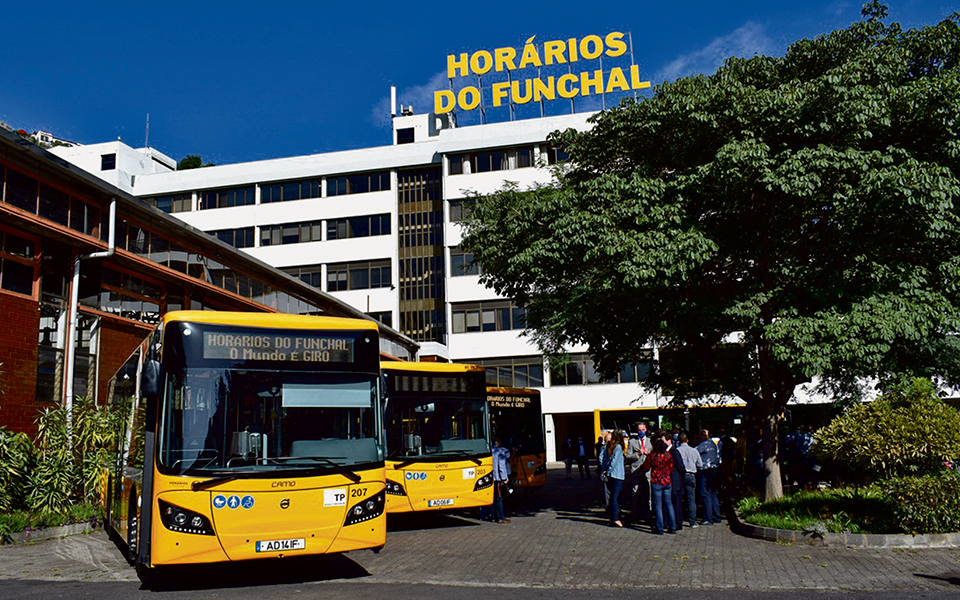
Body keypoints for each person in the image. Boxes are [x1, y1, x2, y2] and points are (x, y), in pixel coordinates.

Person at [642, 436, 677, 534]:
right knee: (669, 504)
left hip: (656, 481)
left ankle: (659, 527)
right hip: (667, 481)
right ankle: (672, 526)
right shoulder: (668, 455)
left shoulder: (652, 456)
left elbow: (646, 467)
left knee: (657, 506)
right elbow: (671, 468)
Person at [625, 422, 652, 522]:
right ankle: (636, 513)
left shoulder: (650, 441)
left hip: (647, 470)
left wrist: (649, 453)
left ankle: (647, 513)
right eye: (639, 430)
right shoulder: (632, 442)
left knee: (648, 492)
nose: (641, 432)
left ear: (646, 430)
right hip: (636, 470)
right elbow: (628, 456)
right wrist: (638, 454)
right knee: (635, 492)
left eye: (643, 430)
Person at [481, 437, 512, 523]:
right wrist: (505, 478)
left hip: (490, 478)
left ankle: (492, 516)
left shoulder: (489, 451)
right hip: (498, 478)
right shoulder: (500, 452)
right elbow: (501, 466)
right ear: (499, 443)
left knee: (492, 498)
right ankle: (500, 517)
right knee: (499, 498)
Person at [599, 429, 626, 527]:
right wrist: (608, 471)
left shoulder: (611, 446)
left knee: (613, 497)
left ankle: (613, 516)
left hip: (612, 474)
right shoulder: (618, 447)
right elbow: (614, 461)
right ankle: (615, 518)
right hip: (617, 475)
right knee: (615, 497)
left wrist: (606, 470)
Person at [676, 432, 703, 528]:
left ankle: (679, 519)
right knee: (691, 498)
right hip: (691, 474)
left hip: (680, 475)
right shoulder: (694, 451)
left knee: (679, 498)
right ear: (688, 440)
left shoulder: (677, 451)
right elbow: (700, 464)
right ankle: (692, 521)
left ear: (679, 441)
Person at [696, 428, 722, 525]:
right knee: (713, 493)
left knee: (705, 493)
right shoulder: (714, 445)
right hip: (714, 469)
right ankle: (717, 515)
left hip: (705, 470)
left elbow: (695, 452)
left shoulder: (703, 445)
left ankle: (708, 517)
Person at [666, 431, 685, 530]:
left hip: (675, 481)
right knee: (672, 503)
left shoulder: (674, 452)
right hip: (669, 481)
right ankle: (672, 521)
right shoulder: (666, 452)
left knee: (676, 503)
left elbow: (681, 467)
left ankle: (678, 523)